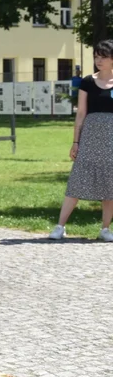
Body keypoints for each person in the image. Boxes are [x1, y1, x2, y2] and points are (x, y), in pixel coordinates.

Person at [49, 40, 113, 241]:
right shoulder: (87, 82)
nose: (98, 60)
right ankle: (60, 226)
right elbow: (81, 113)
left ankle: (105, 229)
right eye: (96, 56)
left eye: (103, 57)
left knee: (110, 185)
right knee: (77, 180)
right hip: (90, 138)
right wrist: (75, 142)